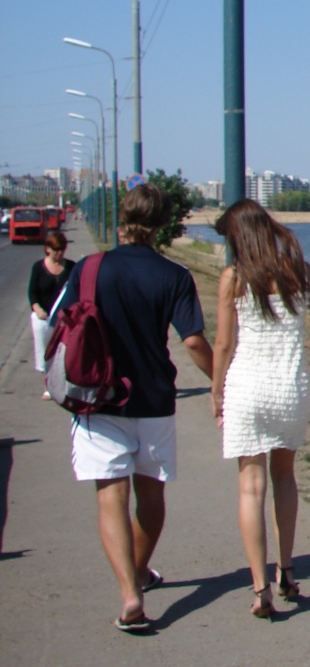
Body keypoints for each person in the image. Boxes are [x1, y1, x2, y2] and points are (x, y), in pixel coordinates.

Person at [50, 184, 214, 632]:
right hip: (154, 400)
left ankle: (129, 593)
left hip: (97, 397)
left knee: (111, 497)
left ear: (123, 219)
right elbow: (193, 341)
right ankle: (139, 571)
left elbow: (60, 322)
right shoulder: (174, 275)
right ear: (163, 223)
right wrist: (221, 380)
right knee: (152, 497)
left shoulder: (89, 268)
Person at [211, 199, 310, 620]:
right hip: (290, 388)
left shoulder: (234, 278)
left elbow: (223, 344)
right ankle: (286, 569)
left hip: (246, 388)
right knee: (284, 476)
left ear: (239, 237)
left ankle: (260, 589)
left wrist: (216, 390)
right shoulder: (300, 272)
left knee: (250, 487)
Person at [28, 228, 75, 398]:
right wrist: (37, 309)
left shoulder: (71, 267)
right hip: (44, 318)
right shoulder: (38, 268)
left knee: (64, 352)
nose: (60, 253)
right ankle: (48, 385)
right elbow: (32, 292)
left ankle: (64, 385)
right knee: (45, 351)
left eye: (62, 249)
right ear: (48, 249)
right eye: (56, 250)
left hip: (64, 318)